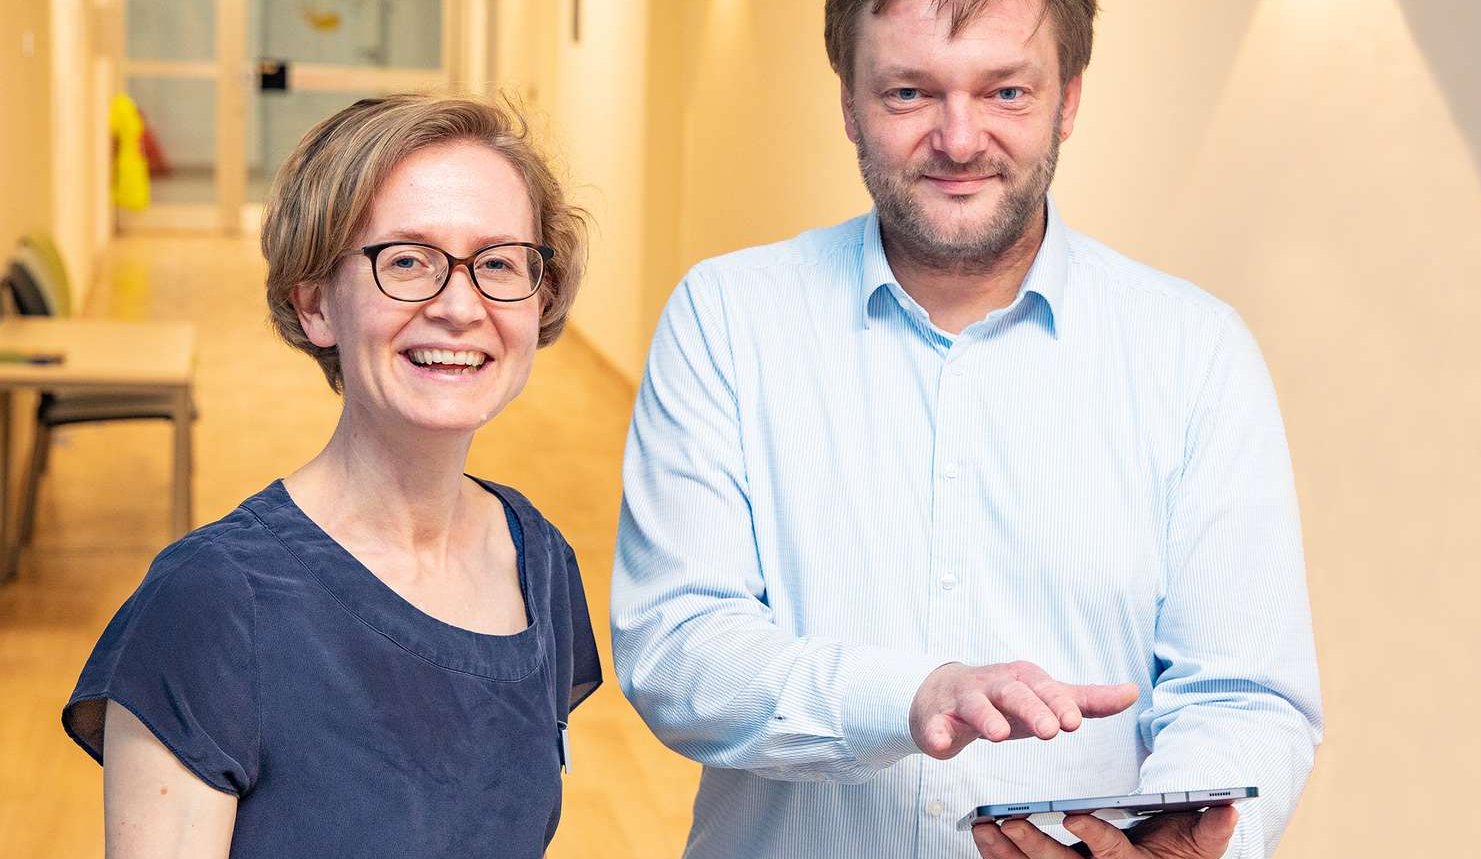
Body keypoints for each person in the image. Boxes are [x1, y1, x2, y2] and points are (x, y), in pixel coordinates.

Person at [610, 1, 1322, 858]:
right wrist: (909, 698)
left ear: (1068, 100)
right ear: (847, 103)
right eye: (909, 92)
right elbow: (680, 652)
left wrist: (1172, 838)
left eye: (1006, 92)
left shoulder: (1195, 353)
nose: (957, 139)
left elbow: (1242, 693)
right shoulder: (726, 318)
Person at [62, 94, 599, 858]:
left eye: (498, 262)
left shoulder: (536, 559)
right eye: (406, 259)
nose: (459, 305)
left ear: (539, 295)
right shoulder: (210, 604)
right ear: (314, 304)